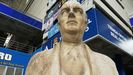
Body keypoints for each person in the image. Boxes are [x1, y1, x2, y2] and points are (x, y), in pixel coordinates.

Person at [25, 1, 119, 75]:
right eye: (65, 12)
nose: (71, 14)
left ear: (85, 23)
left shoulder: (108, 65)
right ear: (58, 25)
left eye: (78, 11)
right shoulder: (37, 62)